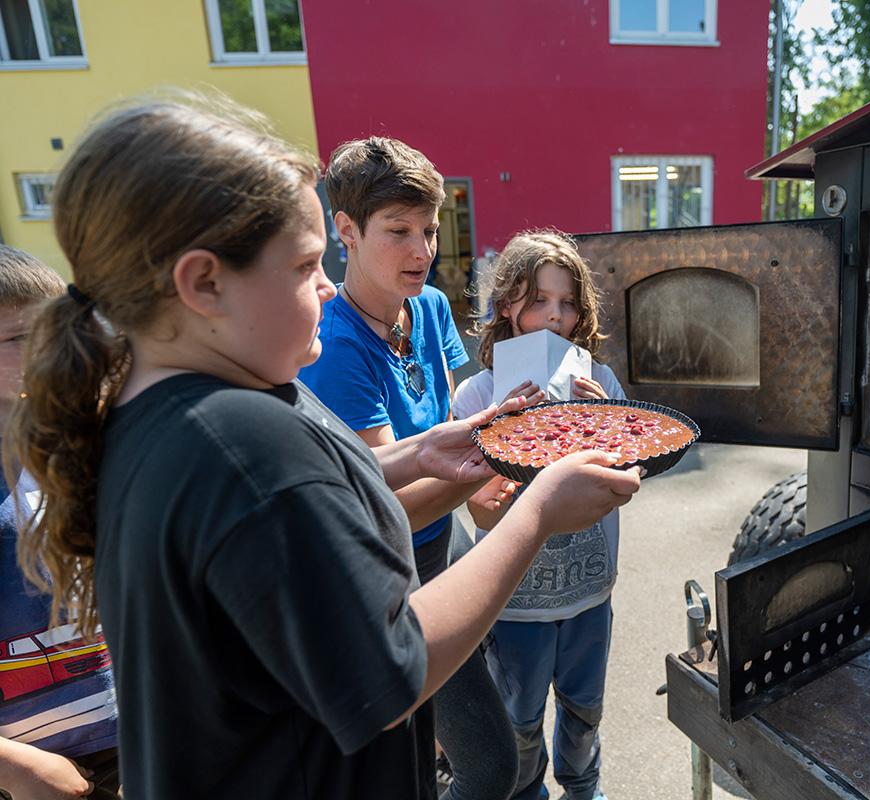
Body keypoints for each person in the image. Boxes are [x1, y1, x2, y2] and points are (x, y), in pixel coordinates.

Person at [3, 93, 640, 800]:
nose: (329, 287)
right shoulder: (246, 449)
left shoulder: (188, 398)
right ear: (204, 283)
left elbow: (321, 484)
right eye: (307, 265)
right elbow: (389, 671)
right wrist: (540, 510)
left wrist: (420, 452)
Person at [296, 136, 520, 800]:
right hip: (394, 570)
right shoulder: (335, 346)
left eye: (430, 229)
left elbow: (445, 427)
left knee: (447, 725)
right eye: (399, 231)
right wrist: (508, 459)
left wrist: (489, 458)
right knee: (491, 767)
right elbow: (386, 505)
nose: (423, 251)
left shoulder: (427, 307)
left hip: (446, 541)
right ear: (346, 231)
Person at [453, 230, 622, 800]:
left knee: (585, 711)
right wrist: (496, 475)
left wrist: (608, 427)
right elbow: (479, 513)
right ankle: (527, 793)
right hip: (514, 603)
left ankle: (584, 789)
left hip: (589, 593)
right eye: (539, 300)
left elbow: (626, 478)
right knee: (519, 721)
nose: (555, 315)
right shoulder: (477, 397)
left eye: (568, 302)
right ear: (506, 306)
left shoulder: (601, 384)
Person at [0, 246, 120, 799]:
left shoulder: (85, 441)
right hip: (31, 776)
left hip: (141, 738)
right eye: (19, 337)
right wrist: (13, 767)